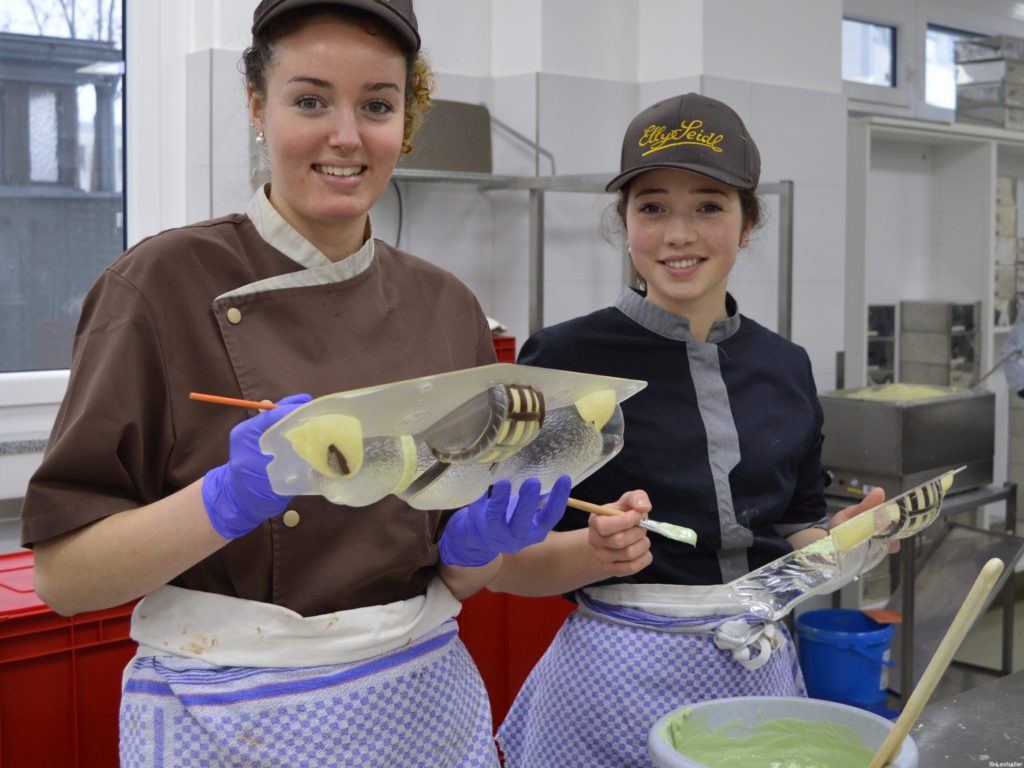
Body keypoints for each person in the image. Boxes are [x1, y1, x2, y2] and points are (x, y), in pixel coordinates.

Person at [19, 2, 574, 766]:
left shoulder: (448, 307)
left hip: (419, 708)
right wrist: (225, 502)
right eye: (310, 100)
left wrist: (477, 553)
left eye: (377, 105)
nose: (345, 137)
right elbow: (65, 580)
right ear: (257, 105)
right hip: (228, 723)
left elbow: (458, 578)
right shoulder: (157, 287)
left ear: (404, 120)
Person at [492, 92, 890, 767]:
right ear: (624, 221)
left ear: (746, 222)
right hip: (611, 684)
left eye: (709, 205)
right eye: (652, 207)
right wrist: (594, 554)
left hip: (755, 671)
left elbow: (795, 529)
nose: (679, 234)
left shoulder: (784, 366)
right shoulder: (564, 362)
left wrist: (845, 546)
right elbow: (502, 566)